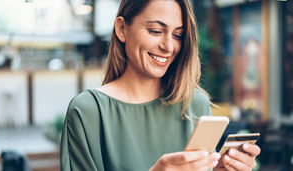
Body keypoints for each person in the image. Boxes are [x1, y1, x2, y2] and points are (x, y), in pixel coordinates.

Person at [60, 0, 261, 170]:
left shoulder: (194, 104)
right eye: (156, 31)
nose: (168, 46)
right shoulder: (88, 111)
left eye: (177, 35)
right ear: (122, 29)